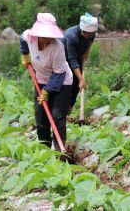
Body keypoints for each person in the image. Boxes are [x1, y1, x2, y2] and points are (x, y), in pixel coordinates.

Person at [20, 13, 73, 149]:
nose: (48, 38)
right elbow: (22, 37)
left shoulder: (58, 48)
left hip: (62, 81)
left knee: (57, 115)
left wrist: (47, 91)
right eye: (45, 35)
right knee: (41, 118)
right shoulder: (29, 37)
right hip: (41, 79)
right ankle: (45, 148)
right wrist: (25, 53)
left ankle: (60, 148)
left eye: (50, 35)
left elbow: (58, 74)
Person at [62, 13, 98, 116]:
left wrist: (87, 52)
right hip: (65, 58)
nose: (90, 35)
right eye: (88, 33)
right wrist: (82, 79)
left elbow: (91, 39)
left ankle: (68, 115)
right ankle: (61, 114)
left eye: (92, 33)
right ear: (83, 30)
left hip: (78, 55)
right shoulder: (71, 36)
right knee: (69, 83)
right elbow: (72, 60)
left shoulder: (91, 32)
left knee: (76, 87)